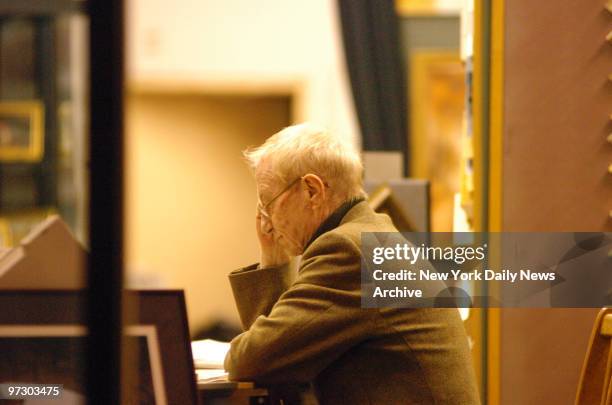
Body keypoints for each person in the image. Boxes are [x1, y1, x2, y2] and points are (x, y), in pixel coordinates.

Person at [224, 123, 480, 404]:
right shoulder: (368, 235)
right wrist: (273, 258)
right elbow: (279, 359)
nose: (266, 220)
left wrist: (273, 266)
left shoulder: (348, 251)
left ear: (312, 191)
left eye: (267, 202)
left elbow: (254, 360)